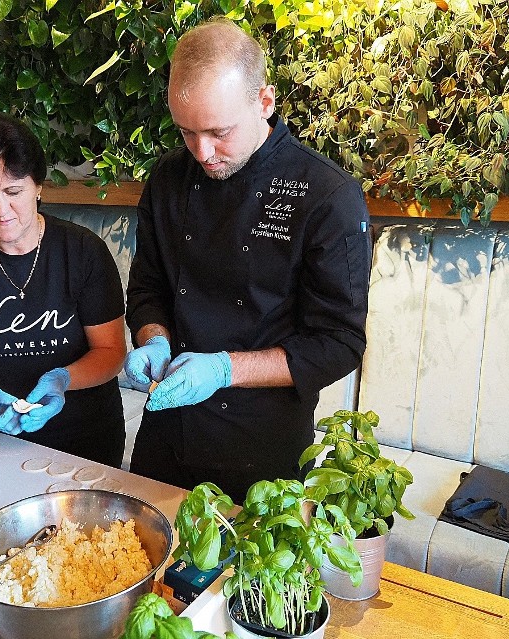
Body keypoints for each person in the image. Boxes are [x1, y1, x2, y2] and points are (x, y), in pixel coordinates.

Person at [124, 18, 371, 502]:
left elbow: (338, 343)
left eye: (219, 131)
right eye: (186, 133)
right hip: (164, 439)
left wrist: (222, 369)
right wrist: (153, 341)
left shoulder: (326, 196)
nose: (203, 152)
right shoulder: (168, 181)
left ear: (265, 101)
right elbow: (148, 289)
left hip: (261, 456)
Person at [0, 113, 127, 467]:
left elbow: (111, 351)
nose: (0, 209)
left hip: (89, 437)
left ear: (38, 185)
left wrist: (63, 379)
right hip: (0, 442)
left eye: (13, 191)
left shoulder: (83, 253)